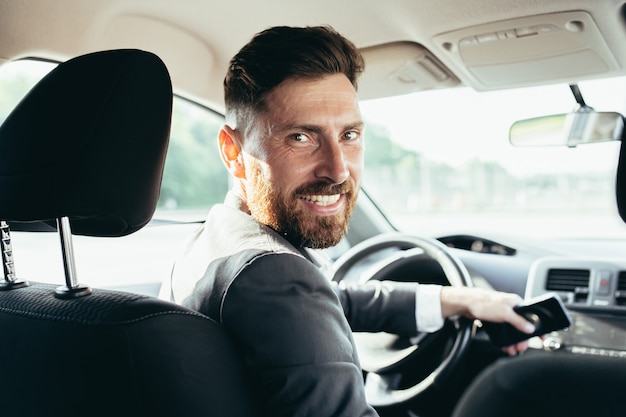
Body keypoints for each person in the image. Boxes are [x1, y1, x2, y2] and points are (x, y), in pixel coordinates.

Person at [160, 25, 536, 417]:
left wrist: (458, 300)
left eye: (350, 134)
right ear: (233, 151)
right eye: (301, 138)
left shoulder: (209, 244)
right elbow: (300, 297)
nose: (338, 170)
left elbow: (331, 298)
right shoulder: (275, 275)